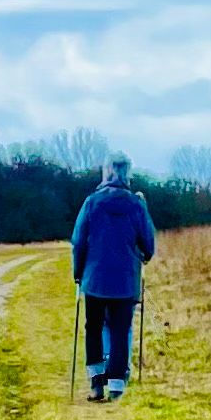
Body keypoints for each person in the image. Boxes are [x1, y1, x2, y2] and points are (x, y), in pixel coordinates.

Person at [71, 150, 155, 401]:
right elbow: (148, 241)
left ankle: (96, 383)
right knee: (120, 330)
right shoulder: (137, 204)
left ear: (106, 172)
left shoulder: (92, 202)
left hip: (94, 278)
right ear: (128, 174)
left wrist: (78, 272)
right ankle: (117, 386)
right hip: (125, 280)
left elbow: (78, 241)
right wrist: (145, 255)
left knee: (93, 328)